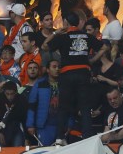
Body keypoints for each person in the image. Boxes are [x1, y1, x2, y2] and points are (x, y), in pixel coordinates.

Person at [42, 11, 107, 144]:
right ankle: (87, 136)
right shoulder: (86, 36)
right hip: (83, 74)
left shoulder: (63, 37)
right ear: (78, 23)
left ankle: (60, 137)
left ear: (66, 22)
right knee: (84, 106)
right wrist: (92, 60)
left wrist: (56, 33)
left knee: (63, 106)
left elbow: (44, 46)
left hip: (67, 74)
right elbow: (105, 46)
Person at [0, 81, 27, 147]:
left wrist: (26, 138)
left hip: (15, 128)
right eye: (7, 94)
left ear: (16, 92)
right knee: (0, 151)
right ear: (4, 92)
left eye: (12, 94)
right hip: (1, 128)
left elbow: (24, 119)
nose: (9, 97)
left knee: (17, 150)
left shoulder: (21, 99)